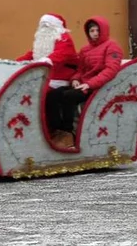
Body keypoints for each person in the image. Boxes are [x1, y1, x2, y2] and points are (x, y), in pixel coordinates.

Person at [47, 15, 123, 148]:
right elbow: (81, 70)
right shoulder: (85, 50)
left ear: (104, 31)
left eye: (97, 30)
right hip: (84, 85)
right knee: (53, 95)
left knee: (69, 97)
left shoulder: (112, 46)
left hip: (99, 87)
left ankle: (68, 133)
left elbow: (111, 70)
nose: (95, 33)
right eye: (92, 31)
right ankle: (56, 130)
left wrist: (90, 84)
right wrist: (75, 79)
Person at [16, 13, 78, 88]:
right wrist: (16, 63)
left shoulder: (64, 38)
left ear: (56, 26)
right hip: (44, 76)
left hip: (59, 79)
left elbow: (60, 54)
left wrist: (44, 61)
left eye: (47, 25)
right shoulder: (43, 40)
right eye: (42, 25)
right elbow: (33, 54)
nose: (44, 28)